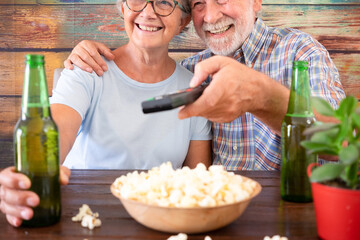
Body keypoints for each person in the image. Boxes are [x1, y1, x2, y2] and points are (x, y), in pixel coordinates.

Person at [0, 0, 212, 227]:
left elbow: (198, 183)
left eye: (164, 2)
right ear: (123, 9)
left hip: (158, 225)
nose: (148, 12)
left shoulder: (194, 91)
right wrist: (35, 169)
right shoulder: (87, 70)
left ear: (183, 21)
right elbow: (56, 127)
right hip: (84, 219)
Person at [64, 0, 345, 170]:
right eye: (199, 3)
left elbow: (343, 145)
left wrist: (261, 97)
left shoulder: (301, 53)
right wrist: (83, 57)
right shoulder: (191, 74)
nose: (210, 17)